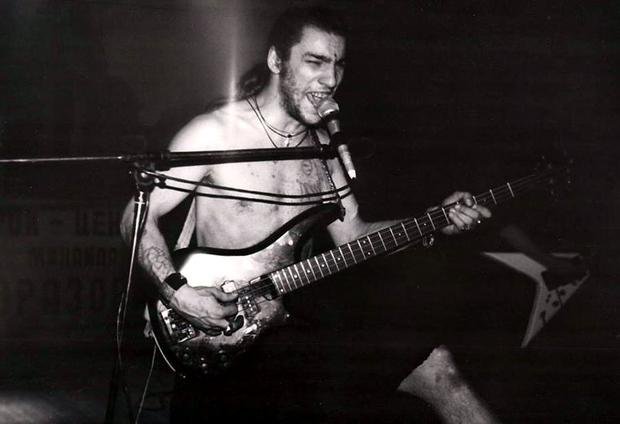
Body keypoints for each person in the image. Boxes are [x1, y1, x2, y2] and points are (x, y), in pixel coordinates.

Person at [121, 6, 497, 423]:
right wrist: (178, 293)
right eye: (315, 62)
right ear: (276, 60)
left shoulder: (324, 153)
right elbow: (136, 218)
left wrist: (433, 221)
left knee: (438, 367)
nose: (330, 80)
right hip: (221, 336)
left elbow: (354, 237)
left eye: (338, 65)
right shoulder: (215, 133)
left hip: (292, 329)